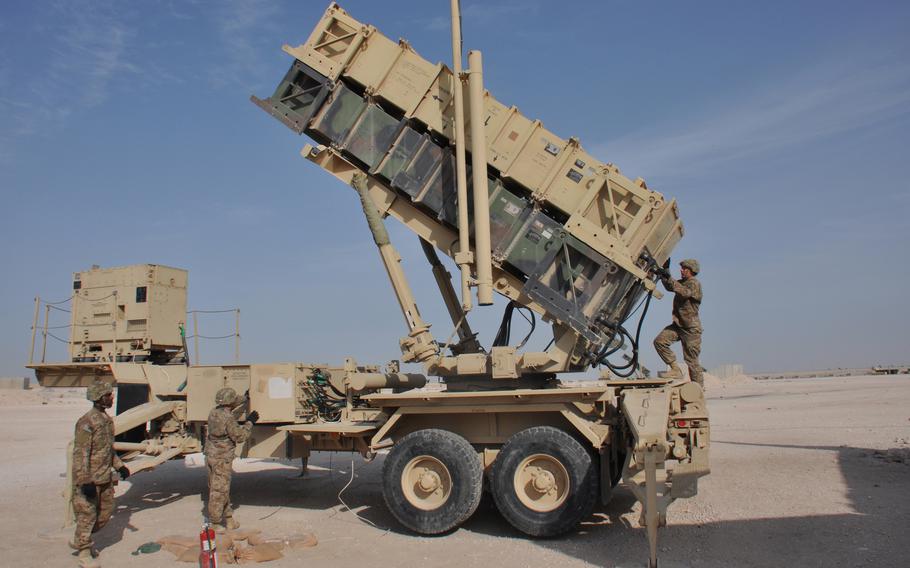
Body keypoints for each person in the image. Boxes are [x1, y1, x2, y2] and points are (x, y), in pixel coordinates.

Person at [70, 380, 130, 568]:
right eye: (108, 395)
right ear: (99, 398)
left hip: (104, 476)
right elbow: (81, 453)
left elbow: (107, 449)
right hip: (89, 478)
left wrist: (119, 466)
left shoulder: (106, 420)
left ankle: (82, 539)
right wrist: (84, 480)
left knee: (104, 513)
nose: (112, 397)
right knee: (87, 514)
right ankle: (84, 552)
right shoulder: (86, 422)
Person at [205, 387, 258, 532]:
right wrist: (249, 423)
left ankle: (229, 519)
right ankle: (215, 523)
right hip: (222, 457)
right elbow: (240, 436)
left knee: (220, 488)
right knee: (219, 490)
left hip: (210, 454)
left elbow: (232, 402)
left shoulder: (214, 412)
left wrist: (245, 398)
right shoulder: (228, 417)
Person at [653, 258, 704, 386]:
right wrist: (665, 273)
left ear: (691, 271)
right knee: (660, 342)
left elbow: (684, 292)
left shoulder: (693, 283)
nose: (681, 270)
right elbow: (671, 286)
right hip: (678, 325)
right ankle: (675, 369)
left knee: (691, 361)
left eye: (684, 269)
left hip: (690, 329)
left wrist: (668, 277)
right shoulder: (684, 282)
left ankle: (698, 390)